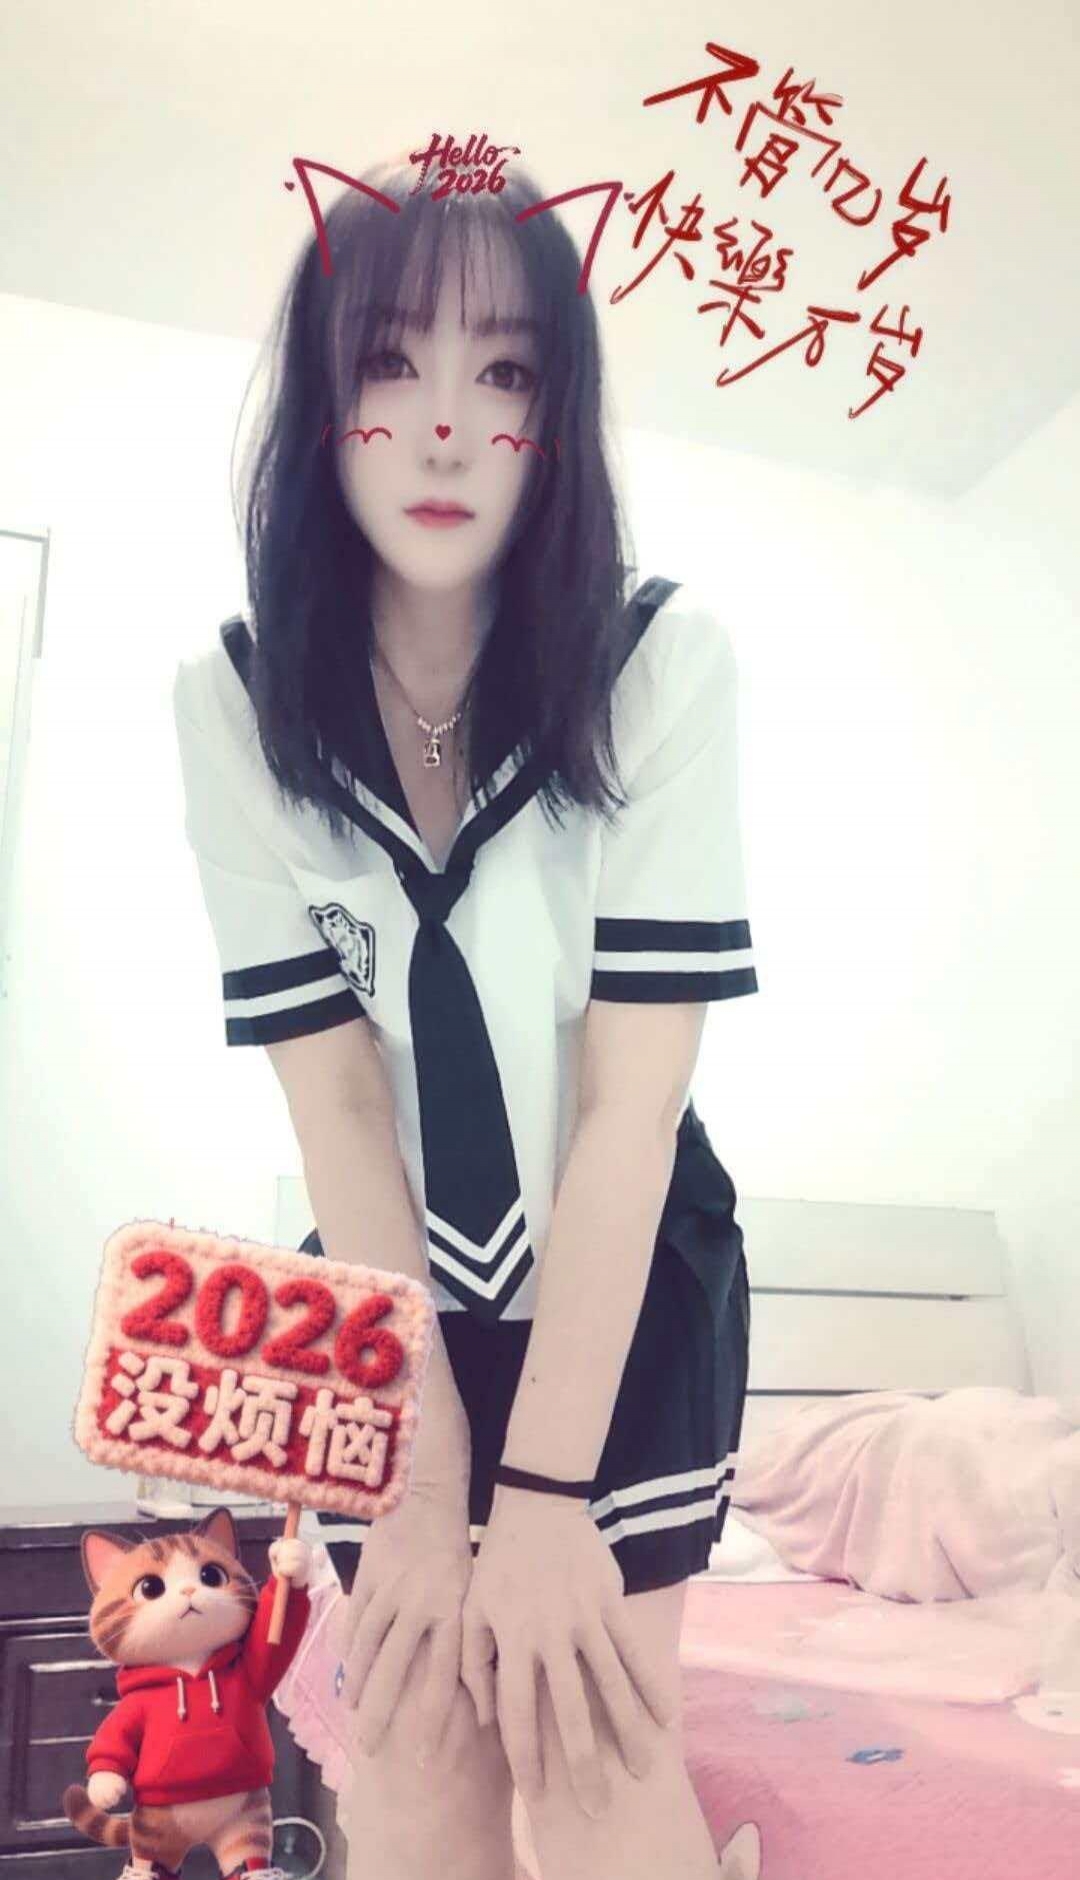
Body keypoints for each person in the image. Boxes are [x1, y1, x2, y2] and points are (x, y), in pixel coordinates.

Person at [171, 149, 758, 1880]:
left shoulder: (658, 668)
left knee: (584, 1759)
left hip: (621, 1271)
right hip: (390, 1288)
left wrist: (546, 1499)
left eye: (504, 373)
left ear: (557, 424)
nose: (444, 430)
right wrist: (427, 1493)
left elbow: (628, 1113)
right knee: (419, 1753)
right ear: (321, 404)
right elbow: (340, 1108)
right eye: (388, 363)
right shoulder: (234, 707)